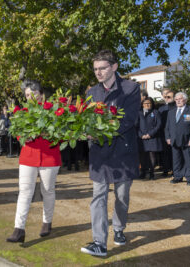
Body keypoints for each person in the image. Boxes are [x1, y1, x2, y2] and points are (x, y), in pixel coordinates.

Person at [81, 50, 140, 257]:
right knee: (98, 196)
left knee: (122, 196)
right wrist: (86, 131)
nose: (98, 72)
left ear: (114, 67)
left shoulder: (131, 89)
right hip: (99, 154)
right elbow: (86, 119)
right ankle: (99, 241)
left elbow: (129, 119)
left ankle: (119, 228)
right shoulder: (91, 94)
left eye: (102, 68)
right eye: (95, 69)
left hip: (123, 153)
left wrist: (100, 130)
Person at [6, 79, 61, 243]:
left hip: (50, 156)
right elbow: (17, 132)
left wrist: (51, 134)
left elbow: (63, 132)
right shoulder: (22, 112)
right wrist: (23, 136)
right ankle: (19, 229)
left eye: (33, 93)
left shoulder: (54, 110)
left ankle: (47, 222)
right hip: (28, 156)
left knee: (47, 191)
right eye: (27, 95)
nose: (29, 97)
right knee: (25, 191)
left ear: (41, 94)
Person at [165, 92, 190, 186]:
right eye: (176, 99)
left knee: (189, 161)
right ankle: (177, 177)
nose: (178, 101)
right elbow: (167, 127)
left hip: (188, 141)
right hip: (174, 140)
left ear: (185, 100)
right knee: (176, 160)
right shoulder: (171, 112)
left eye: (180, 99)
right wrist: (168, 137)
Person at [136, 97, 162, 180]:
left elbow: (159, 125)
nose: (147, 105)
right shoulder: (139, 113)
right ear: (142, 104)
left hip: (152, 138)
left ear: (152, 104)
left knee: (152, 156)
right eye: (145, 103)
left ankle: (151, 173)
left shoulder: (156, 112)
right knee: (142, 156)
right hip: (142, 138)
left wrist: (150, 134)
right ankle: (143, 172)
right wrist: (141, 135)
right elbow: (136, 126)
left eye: (149, 103)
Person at [158, 89, 175, 177]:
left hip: (175, 134)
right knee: (165, 153)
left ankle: (174, 170)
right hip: (163, 134)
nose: (167, 98)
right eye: (165, 97)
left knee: (174, 153)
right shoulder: (161, 109)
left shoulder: (177, 107)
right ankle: (165, 169)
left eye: (169, 97)